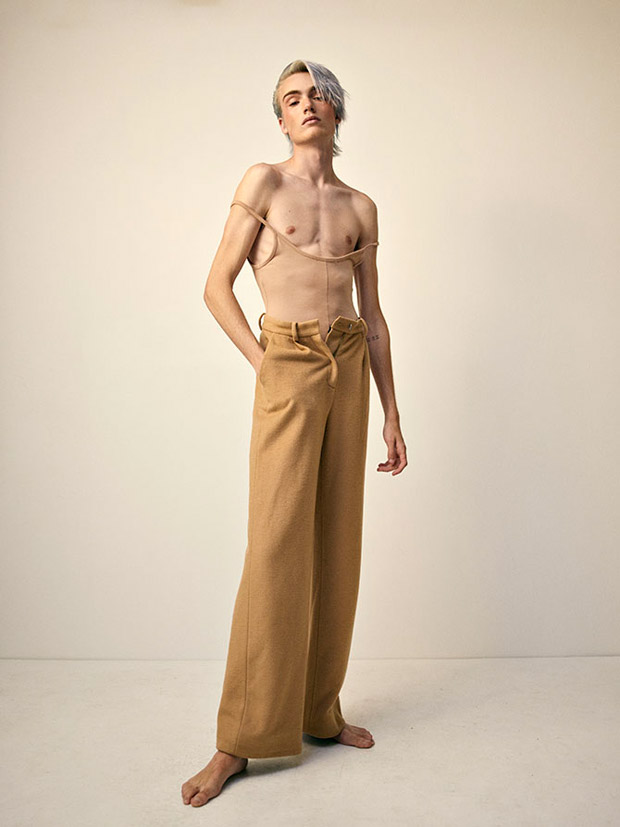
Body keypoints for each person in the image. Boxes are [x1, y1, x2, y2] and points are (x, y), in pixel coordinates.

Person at [182, 59, 407, 808]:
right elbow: (216, 285)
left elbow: (373, 316)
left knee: (337, 541)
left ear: (335, 110)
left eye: (316, 95)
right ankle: (239, 738)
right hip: (288, 358)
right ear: (280, 119)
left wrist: (392, 412)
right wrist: (264, 363)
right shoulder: (263, 182)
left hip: (349, 362)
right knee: (276, 544)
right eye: (292, 98)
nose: (306, 104)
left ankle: (319, 710)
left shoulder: (361, 207)